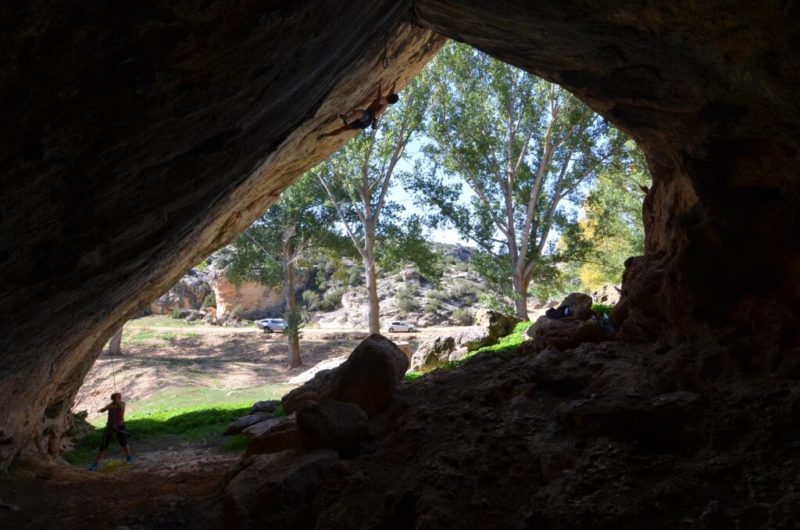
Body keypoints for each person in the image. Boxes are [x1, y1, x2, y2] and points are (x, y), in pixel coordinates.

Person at [318, 80, 398, 138]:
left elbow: (379, 99)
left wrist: (380, 85)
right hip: (365, 123)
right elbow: (391, 93)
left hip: (368, 117)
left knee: (359, 113)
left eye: (391, 94)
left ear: (390, 97)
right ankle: (326, 135)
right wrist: (394, 84)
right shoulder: (388, 102)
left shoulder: (385, 102)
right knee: (343, 129)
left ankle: (347, 119)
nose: (389, 94)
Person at [89, 392, 133, 470]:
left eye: (117, 398)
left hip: (120, 426)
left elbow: (120, 407)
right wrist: (107, 407)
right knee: (103, 445)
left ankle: (129, 457)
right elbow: (102, 410)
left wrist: (114, 404)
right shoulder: (111, 405)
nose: (116, 399)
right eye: (114, 398)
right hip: (110, 427)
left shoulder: (122, 404)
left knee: (123, 442)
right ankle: (95, 464)